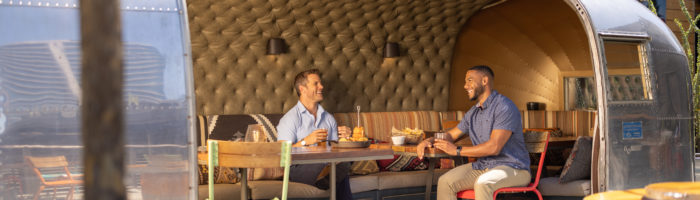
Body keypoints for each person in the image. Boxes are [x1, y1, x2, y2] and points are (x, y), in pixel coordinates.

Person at [417, 65, 531, 200]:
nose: (465, 86)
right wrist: (428, 141)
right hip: (484, 167)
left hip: (514, 168)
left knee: (483, 183)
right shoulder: (473, 113)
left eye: (469, 80)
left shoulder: (504, 107)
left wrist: (457, 150)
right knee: (445, 182)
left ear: (484, 81)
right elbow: (450, 135)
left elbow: (494, 147)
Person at [276, 68, 353, 200]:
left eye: (320, 83)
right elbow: (282, 155)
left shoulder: (329, 118)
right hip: (298, 169)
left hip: (328, 164)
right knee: (338, 169)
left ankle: (324, 180)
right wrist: (306, 141)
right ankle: (326, 179)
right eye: (316, 83)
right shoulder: (289, 119)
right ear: (302, 89)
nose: (321, 86)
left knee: (344, 161)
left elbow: (335, 150)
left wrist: (345, 139)